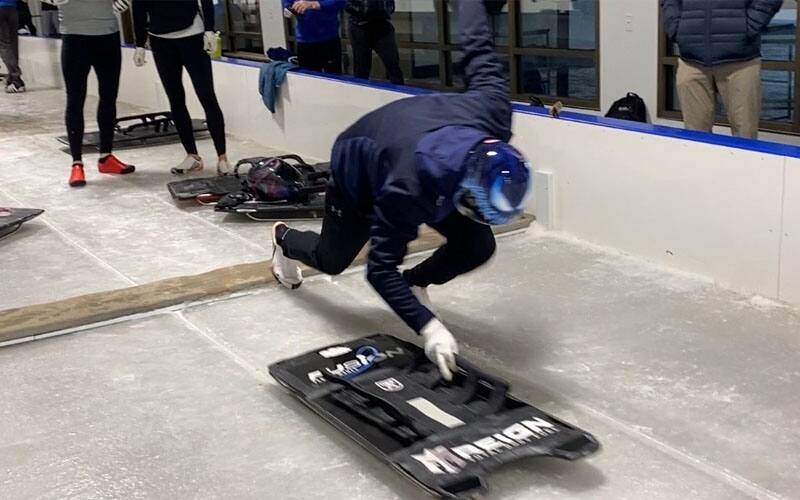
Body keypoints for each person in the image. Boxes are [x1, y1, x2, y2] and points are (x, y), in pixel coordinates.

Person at [271, 0, 531, 381]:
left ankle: (418, 282)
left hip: (422, 144)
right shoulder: (405, 189)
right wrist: (429, 328)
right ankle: (283, 239)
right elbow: (379, 269)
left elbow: (477, 43)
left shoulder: (494, 110)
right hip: (360, 168)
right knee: (332, 260)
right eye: (473, 206)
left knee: (477, 243)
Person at [42, 0, 135, 187]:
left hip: (107, 34)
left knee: (109, 96)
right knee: (75, 99)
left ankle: (106, 156)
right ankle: (76, 162)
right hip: (75, 36)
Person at [132, 0, 230, 175]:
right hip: (160, 40)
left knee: (206, 95)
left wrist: (209, 29)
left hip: (192, 35)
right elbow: (138, 8)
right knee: (175, 99)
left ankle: (222, 157)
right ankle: (192, 155)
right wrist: (139, 44)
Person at [661, 0, 783, 139]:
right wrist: (676, 29)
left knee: (744, 135)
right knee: (695, 137)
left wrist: (748, 27)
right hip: (691, 61)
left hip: (741, 63)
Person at [346, 0, 403, 85]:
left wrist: (386, 10)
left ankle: (399, 90)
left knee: (393, 64)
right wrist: (362, 12)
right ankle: (360, 90)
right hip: (359, 26)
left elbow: (390, 4)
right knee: (361, 68)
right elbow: (346, 4)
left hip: (382, 25)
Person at [283, 0, 345, 74]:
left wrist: (313, 4)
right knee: (307, 77)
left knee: (333, 78)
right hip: (304, 41)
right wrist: (290, 8)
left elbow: (341, 2)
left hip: (328, 40)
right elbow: (287, 4)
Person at [0, 0, 24, 93]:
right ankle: (12, 78)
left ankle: (16, 78)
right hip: (12, 8)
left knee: (4, 45)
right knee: (13, 44)